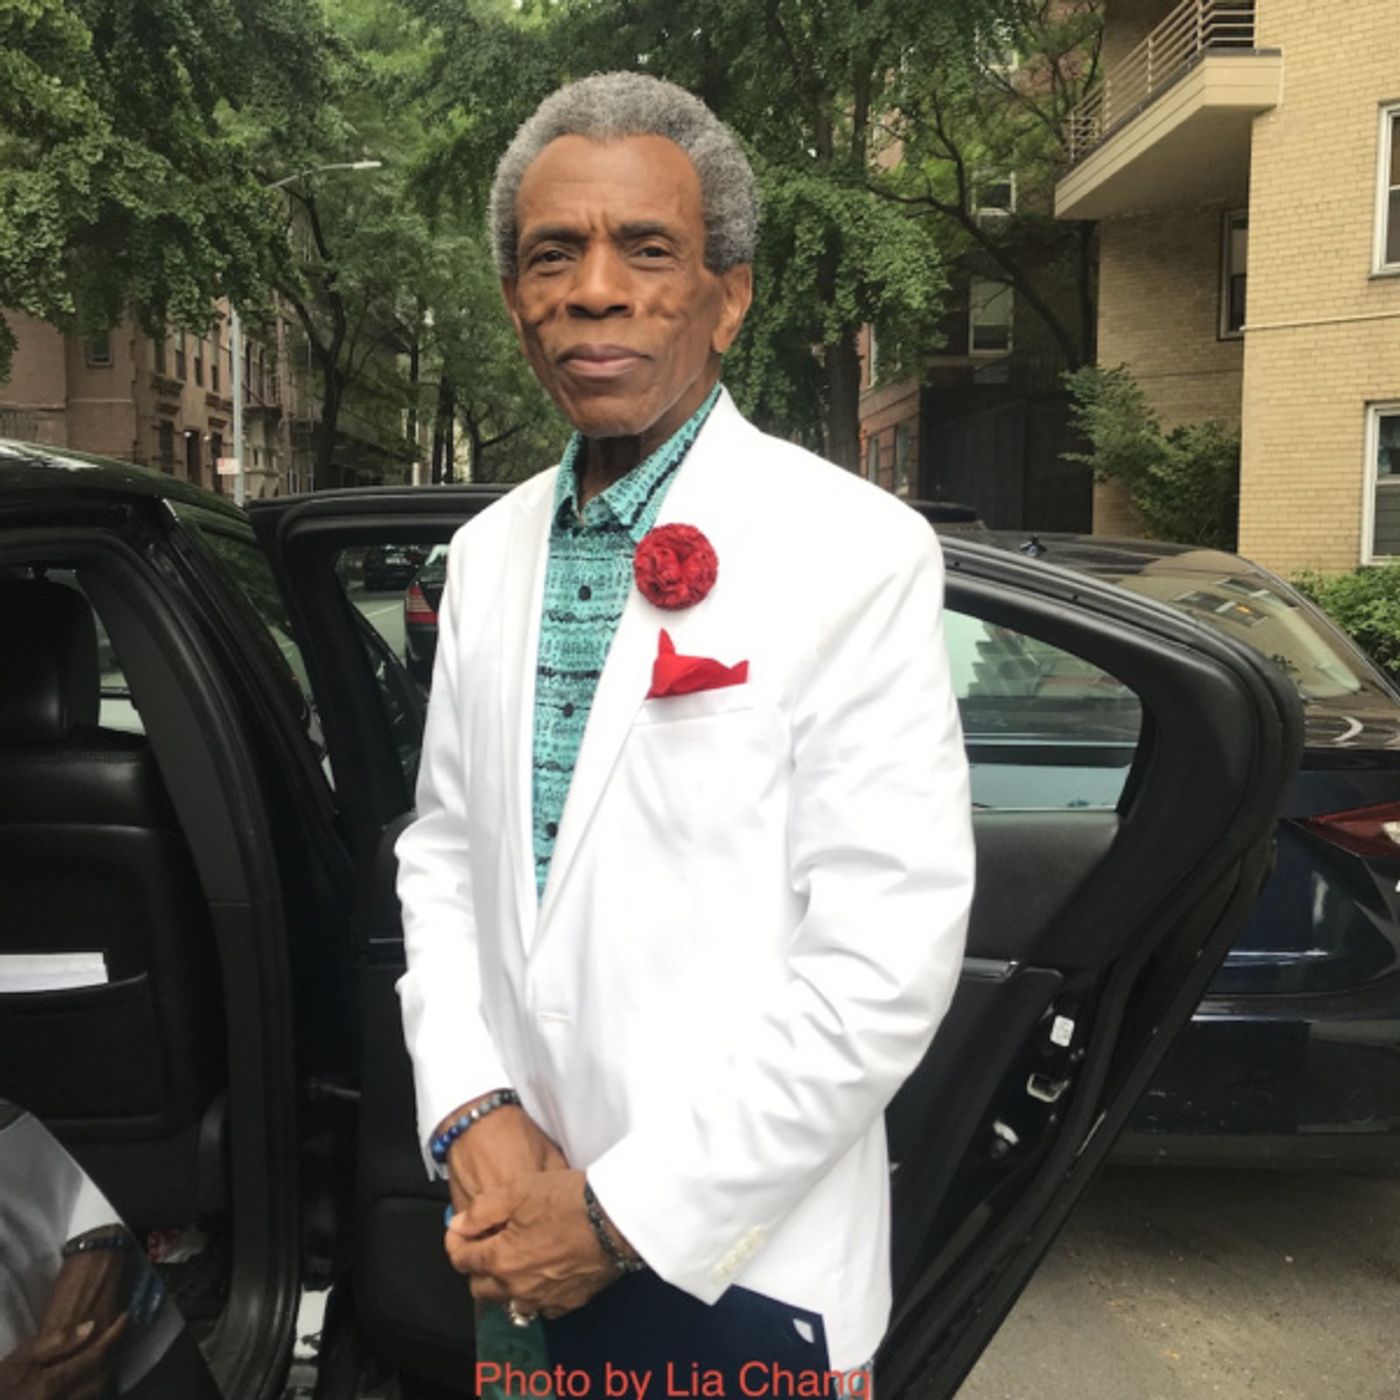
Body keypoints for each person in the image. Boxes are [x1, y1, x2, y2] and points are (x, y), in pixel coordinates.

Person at [393, 70, 976, 1389]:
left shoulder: (853, 548)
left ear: (730, 294)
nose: (595, 290)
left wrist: (616, 1217)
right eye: (554, 253)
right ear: (514, 298)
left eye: (647, 249)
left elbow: (883, 956)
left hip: (743, 1263)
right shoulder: (486, 555)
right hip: (515, 1226)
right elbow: (445, 851)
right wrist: (471, 1106)